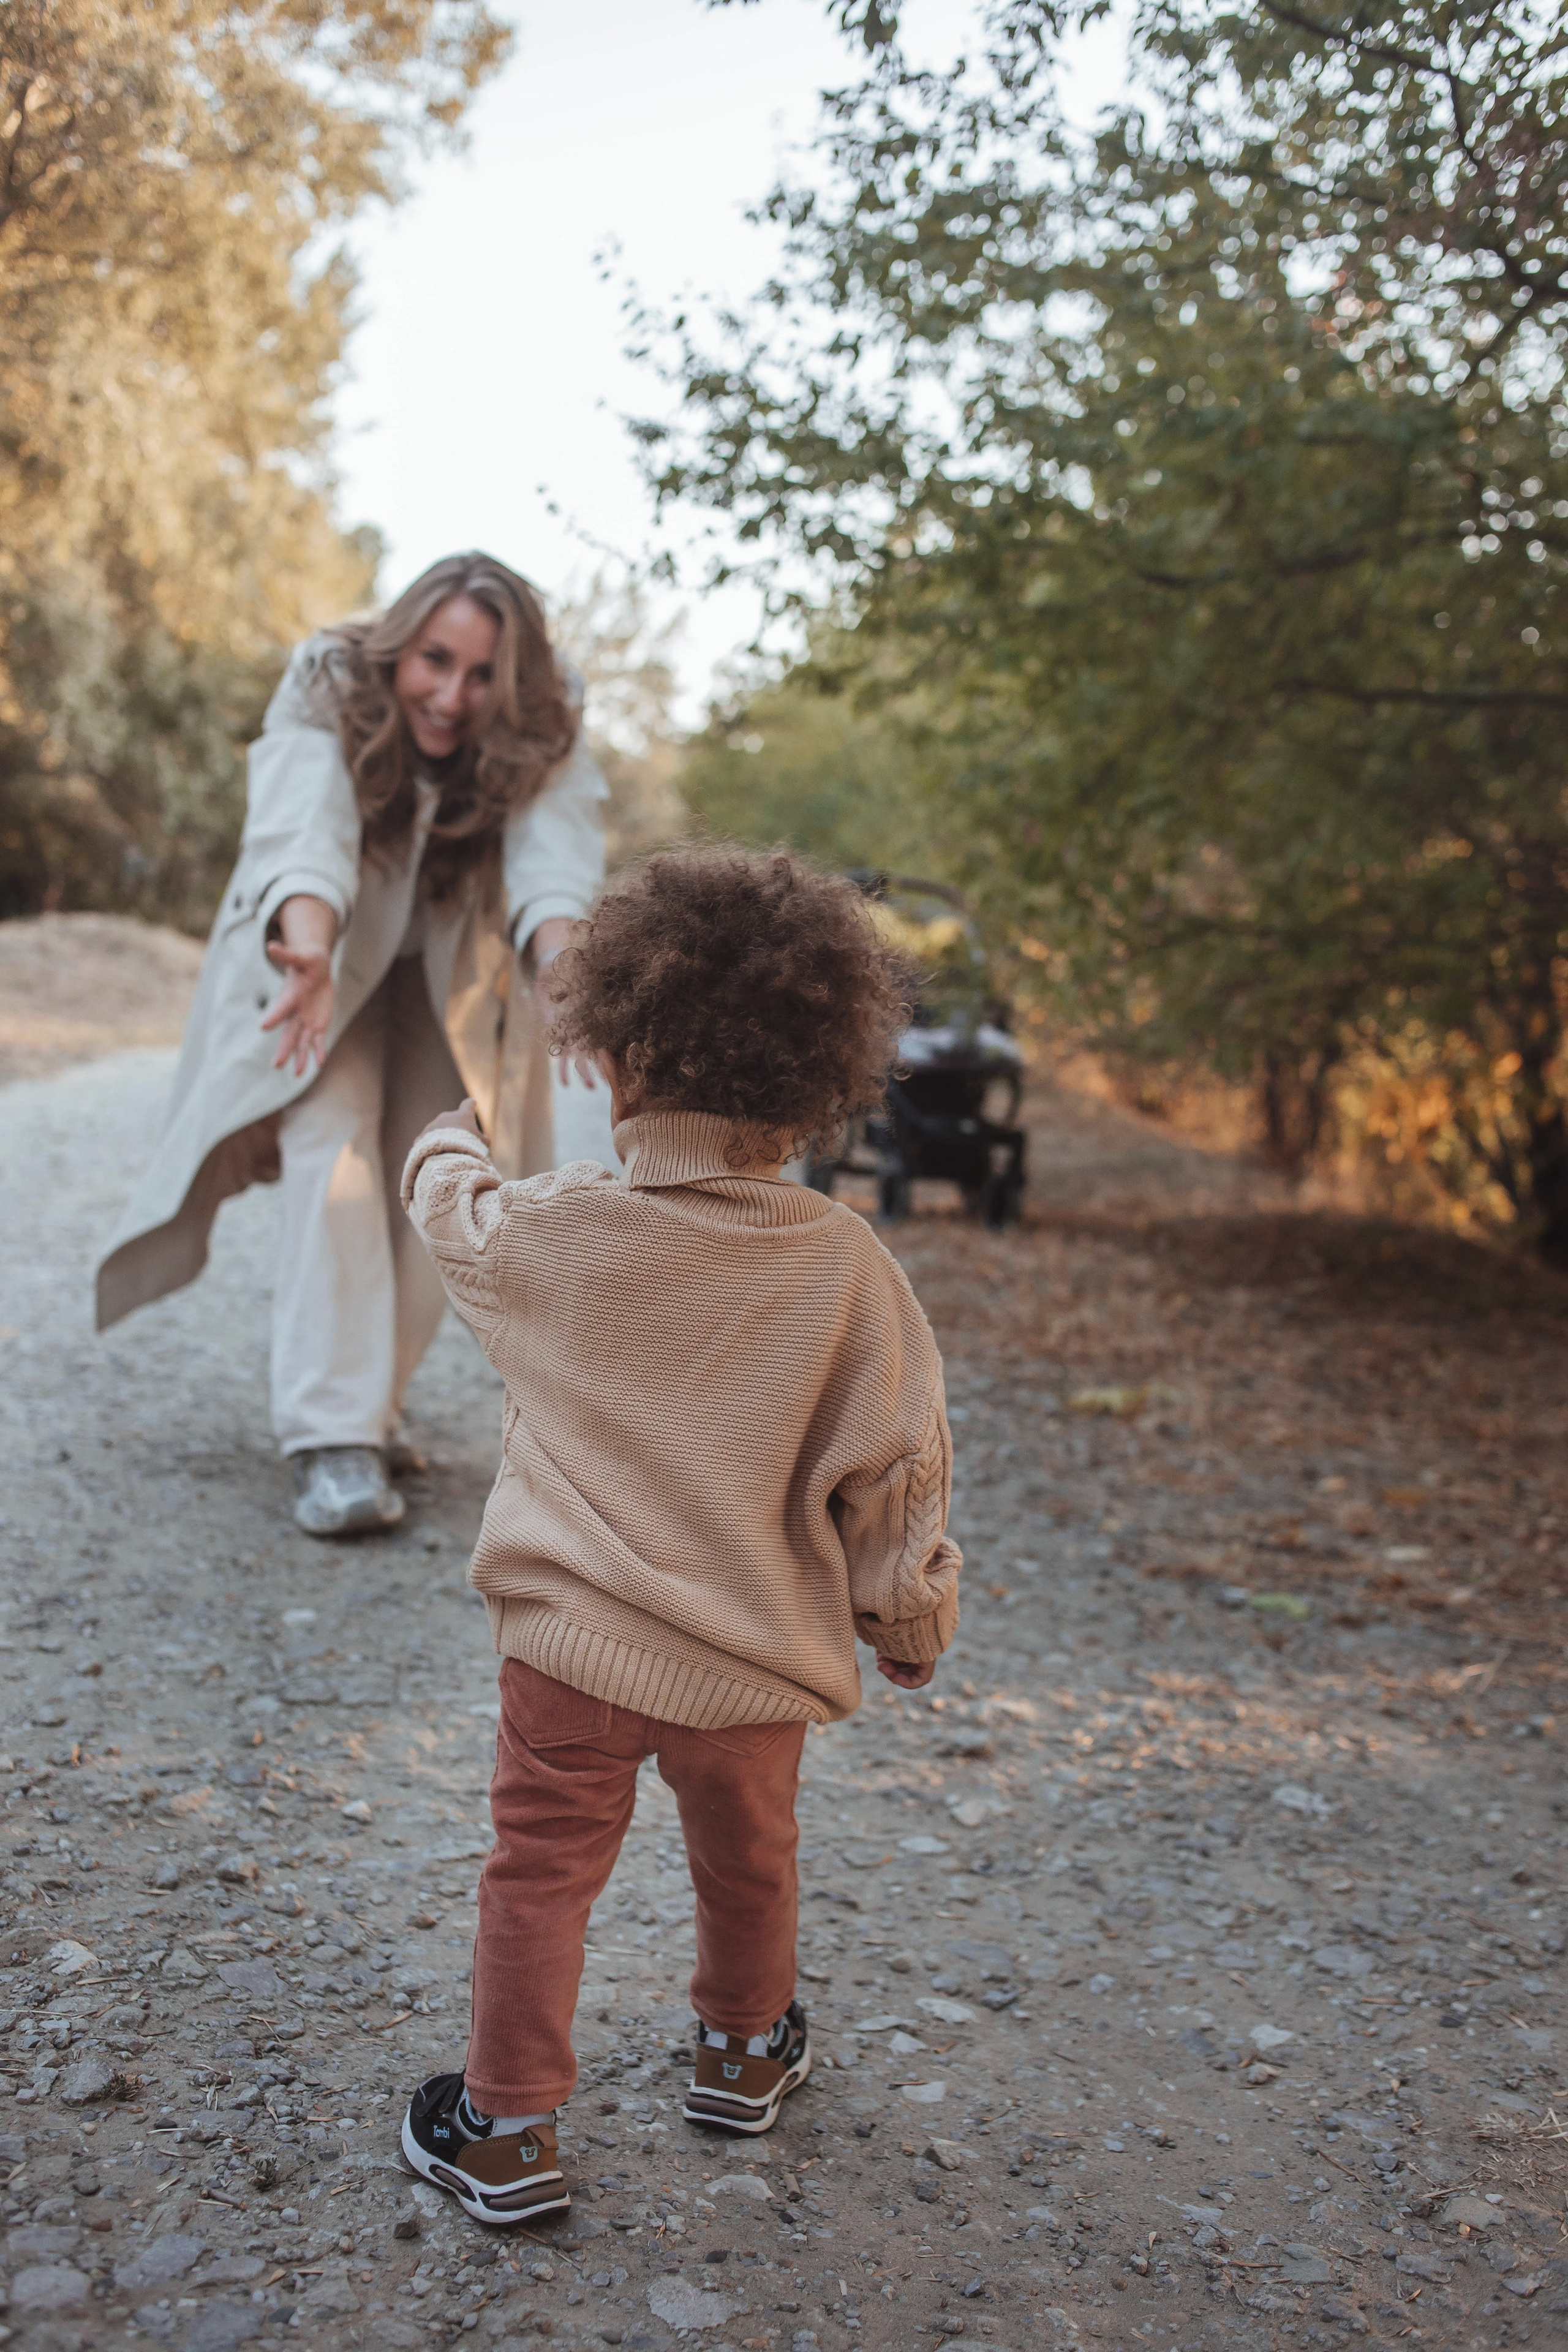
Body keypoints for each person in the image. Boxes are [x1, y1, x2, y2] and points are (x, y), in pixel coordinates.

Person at [393, 846, 962, 2228]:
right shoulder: (842, 1266)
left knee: (536, 1873)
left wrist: (444, 1133)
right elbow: (889, 1470)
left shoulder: (558, 1228)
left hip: (572, 1658)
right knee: (749, 1858)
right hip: (749, 1664)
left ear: (612, 1067)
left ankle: (506, 2127)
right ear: (815, 1083)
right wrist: (902, 1619)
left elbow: (452, 1216)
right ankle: (739, 2053)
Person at [95, 552, 610, 1537]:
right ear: (400, 641)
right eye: (434, 660)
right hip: (325, 958)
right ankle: (332, 1438)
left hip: (453, 971)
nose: (452, 696)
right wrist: (314, 948)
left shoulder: (552, 713)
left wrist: (561, 963)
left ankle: (371, 1404)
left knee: (442, 1176)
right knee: (330, 1148)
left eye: (480, 677)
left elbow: (556, 843)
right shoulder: (328, 678)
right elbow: (304, 826)